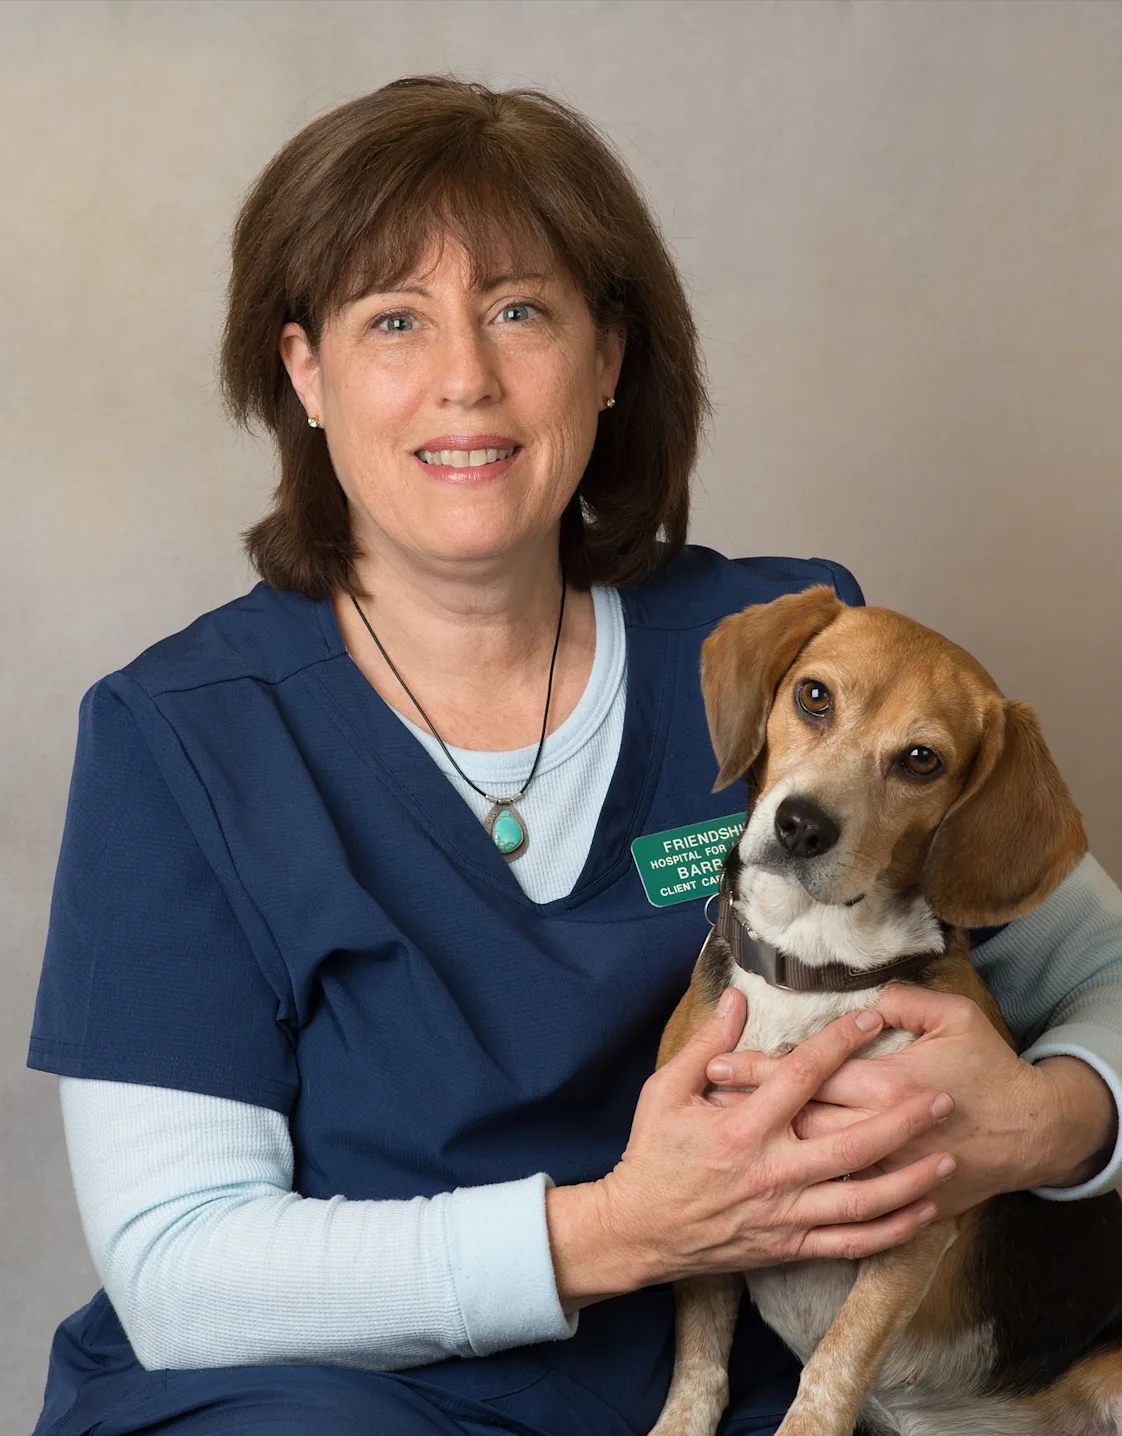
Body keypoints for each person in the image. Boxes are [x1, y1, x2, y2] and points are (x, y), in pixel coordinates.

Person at [28, 76, 1122, 1436]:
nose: (465, 379)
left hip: (724, 1398)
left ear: (607, 357)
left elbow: (1098, 969)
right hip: (334, 1399)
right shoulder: (179, 741)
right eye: (393, 320)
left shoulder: (798, 658)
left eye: (518, 310)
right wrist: (615, 1230)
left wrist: (1048, 1124)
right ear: (302, 372)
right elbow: (183, 1272)